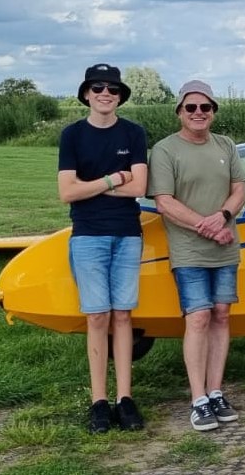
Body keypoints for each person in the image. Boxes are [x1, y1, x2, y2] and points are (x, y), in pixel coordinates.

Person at [147, 80, 245, 432]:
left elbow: (239, 190)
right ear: (180, 112)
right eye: (191, 107)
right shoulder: (164, 149)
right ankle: (198, 399)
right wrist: (206, 226)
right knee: (199, 316)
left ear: (213, 112)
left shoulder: (226, 145)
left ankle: (217, 391)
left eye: (205, 107)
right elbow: (164, 201)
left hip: (225, 244)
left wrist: (223, 218)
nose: (199, 113)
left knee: (221, 313)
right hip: (189, 248)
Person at [58, 63, 148, 433]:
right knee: (97, 317)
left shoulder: (134, 132)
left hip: (127, 233)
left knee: (123, 315)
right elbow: (67, 191)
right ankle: (98, 401)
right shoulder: (72, 135)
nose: (105, 93)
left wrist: (92, 184)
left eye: (112, 88)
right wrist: (114, 178)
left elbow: (139, 187)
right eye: (98, 88)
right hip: (88, 234)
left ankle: (124, 398)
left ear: (120, 96)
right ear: (86, 94)